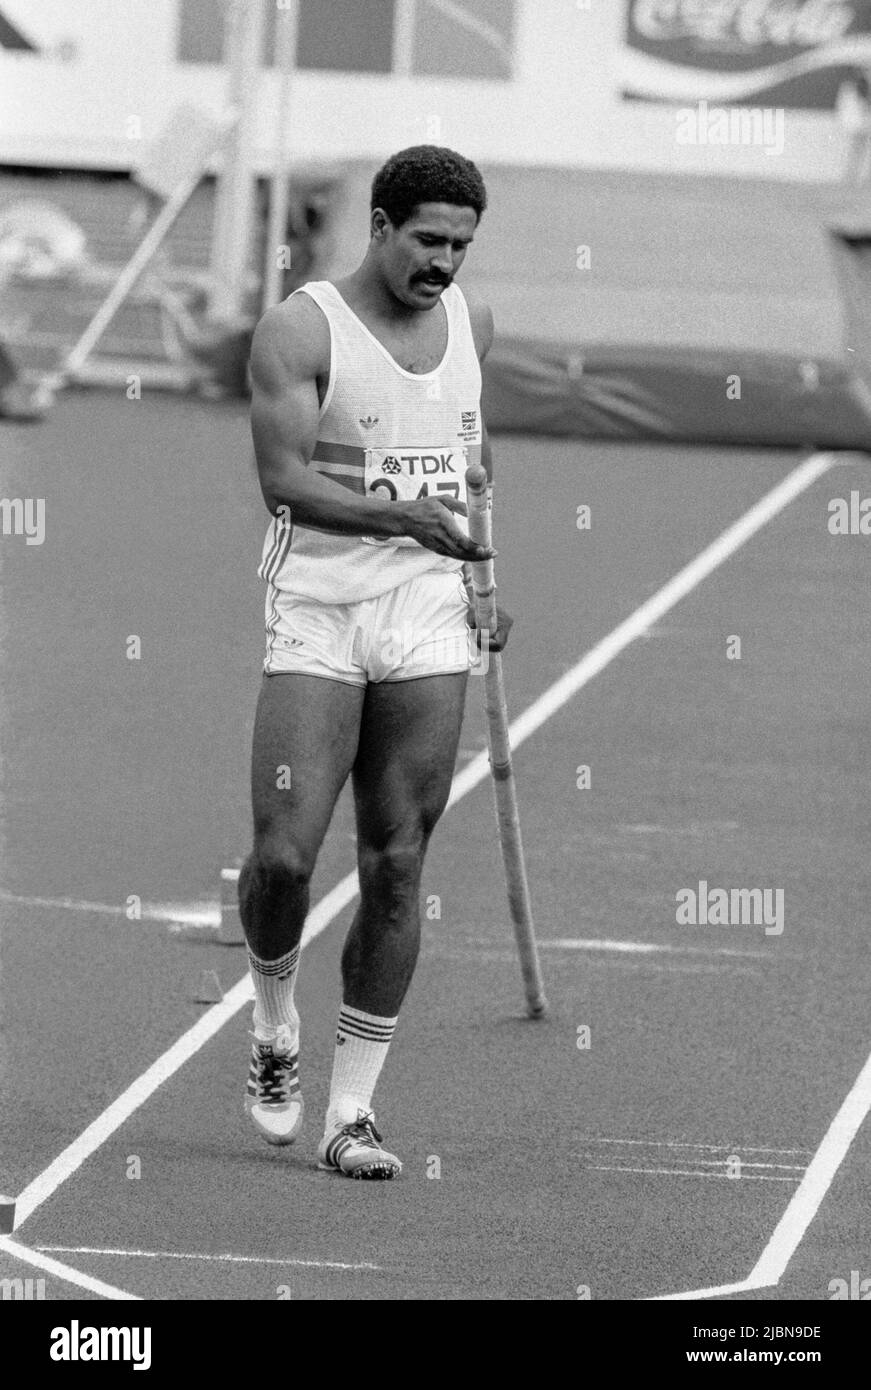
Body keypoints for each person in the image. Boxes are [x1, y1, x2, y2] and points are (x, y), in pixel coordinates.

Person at [241, 145, 511, 1179]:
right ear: (383, 226)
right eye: (429, 241)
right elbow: (283, 483)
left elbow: (473, 467)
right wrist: (409, 522)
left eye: (461, 245)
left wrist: (483, 581)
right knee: (282, 858)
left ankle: (351, 1112)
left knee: (398, 861)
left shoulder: (473, 326)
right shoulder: (304, 329)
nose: (444, 262)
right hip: (319, 606)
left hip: (429, 616)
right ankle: (272, 1021)